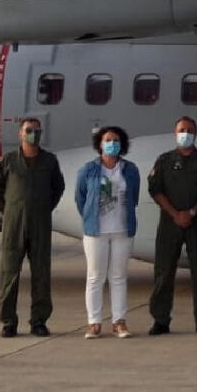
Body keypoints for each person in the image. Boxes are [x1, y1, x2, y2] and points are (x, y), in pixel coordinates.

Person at [0, 117, 65, 337]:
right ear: (20, 134)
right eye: (29, 130)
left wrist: (41, 209)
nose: (34, 134)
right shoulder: (9, 161)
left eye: (37, 130)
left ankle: (39, 321)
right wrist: (11, 210)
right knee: (9, 272)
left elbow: (57, 189)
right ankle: (8, 321)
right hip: (14, 224)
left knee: (41, 273)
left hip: (40, 223)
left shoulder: (49, 161)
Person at [147, 117, 197, 335]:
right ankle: (160, 320)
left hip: (196, 222)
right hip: (169, 223)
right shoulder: (164, 160)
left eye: (189, 130)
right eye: (182, 130)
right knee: (163, 272)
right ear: (175, 132)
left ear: (196, 133)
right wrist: (174, 214)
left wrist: (191, 212)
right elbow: (155, 189)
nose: (185, 133)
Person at [74, 126, 140, 338]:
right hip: (96, 231)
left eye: (116, 140)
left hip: (122, 229)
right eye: (108, 140)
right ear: (100, 144)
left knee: (118, 276)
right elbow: (80, 197)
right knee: (95, 277)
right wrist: (90, 216)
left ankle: (119, 321)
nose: (112, 143)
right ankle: (94, 322)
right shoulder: (88, 169)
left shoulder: (130, 169)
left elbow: (134, 197)